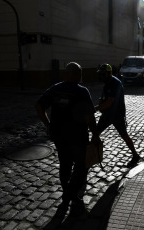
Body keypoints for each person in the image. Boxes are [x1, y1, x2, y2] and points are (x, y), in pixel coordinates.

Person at [35, 62, 100, 214]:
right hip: (78, 136)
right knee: (80, 167)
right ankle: (70, 194)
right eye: (80, 73)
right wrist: (95, 134)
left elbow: (39, 106)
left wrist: (48, 124)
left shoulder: (55, 88)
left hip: (59, 135)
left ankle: (67, 194)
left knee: (64, 165)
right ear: (78, 74)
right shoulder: (82, 91)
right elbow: (90, 116)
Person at [95, 63, 140, 167]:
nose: (101, 76)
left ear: (109, 73)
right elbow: (106, 99)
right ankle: (92, 156)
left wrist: (96, 108)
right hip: (107, 114)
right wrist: (101, 102)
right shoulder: (107, 82)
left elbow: (110, 102)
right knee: (95, 133)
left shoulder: (116, 83)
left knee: (124, 135)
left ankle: (135, 155)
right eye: (100, 74)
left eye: (103, 74)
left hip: (117, 115)